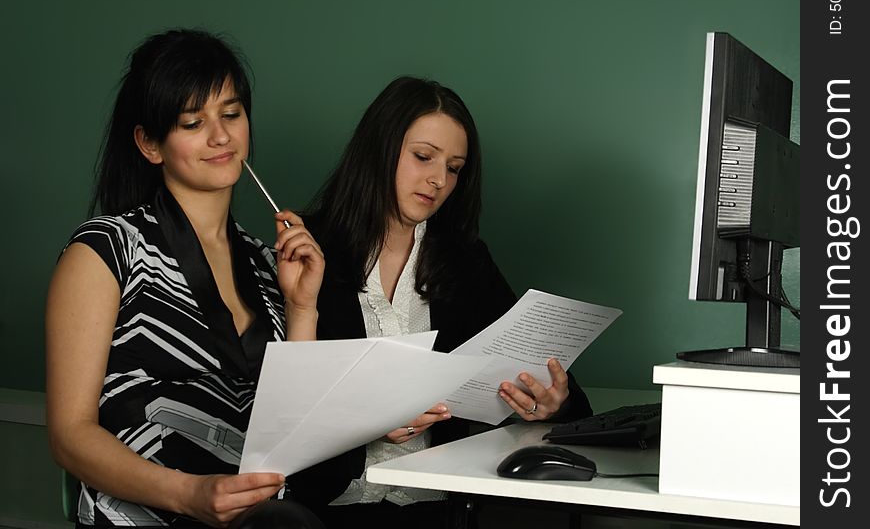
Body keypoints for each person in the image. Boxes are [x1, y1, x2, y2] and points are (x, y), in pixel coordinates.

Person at [45, 29, 325, 528]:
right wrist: (189, 494)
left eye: (232, 114)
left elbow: (291, 433)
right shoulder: (107, 250)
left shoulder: (268, 263)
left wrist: (302, 307)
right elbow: (70, 435)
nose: (221, 137)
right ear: (150, 144)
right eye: (193, 122)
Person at [288, 76, 593, 527]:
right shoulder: (307, 251)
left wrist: (554, 401)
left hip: (435, 507)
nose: (438, 180)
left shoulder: (464, 259)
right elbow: (282, 405)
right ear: (380, 148)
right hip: (322, 508)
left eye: (454, 168)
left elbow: (558, 386)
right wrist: (370, 420)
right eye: (423, 157)